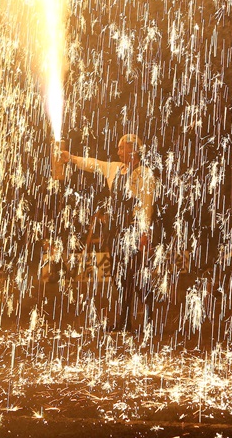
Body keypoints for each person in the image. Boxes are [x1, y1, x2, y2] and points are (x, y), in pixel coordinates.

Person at [57, 134, 157, 333]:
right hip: (116, 231)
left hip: (133, 231)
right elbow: (94, 164)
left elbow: (147, 206)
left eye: (122, 148)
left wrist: (144, 234)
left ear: (133, 150)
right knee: (120, 278)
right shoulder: (115, 169)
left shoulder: (145, 174)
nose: (118, 152)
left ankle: (149, 321)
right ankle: (124, 322)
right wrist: (71, 158)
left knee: (136, 278)